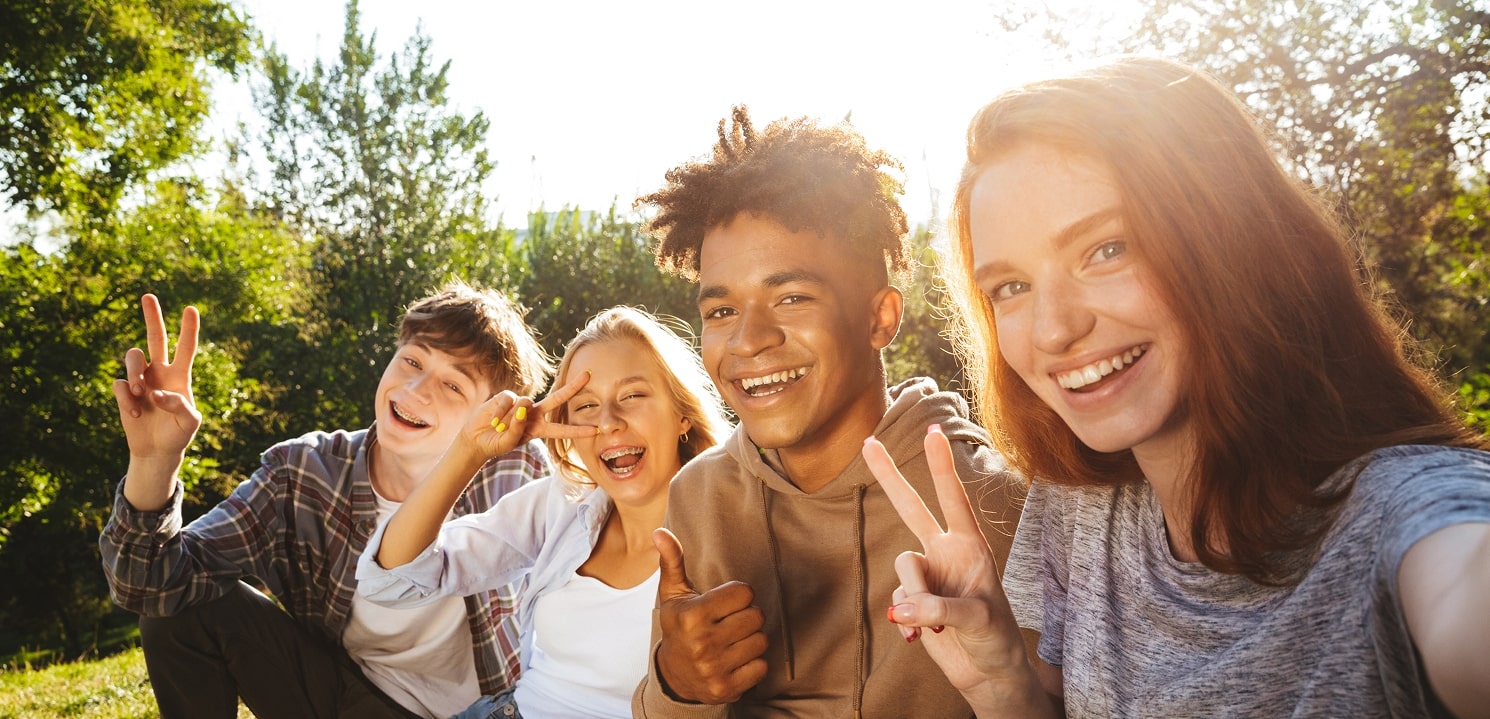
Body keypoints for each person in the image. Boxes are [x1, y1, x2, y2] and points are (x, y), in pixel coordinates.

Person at [862, 56, 1490, 718]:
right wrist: (1000, 684)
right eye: (1011, 287)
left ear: (1231, 238)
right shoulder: (1080, 507)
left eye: (1106, 249)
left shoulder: (1411, 512)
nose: (1054, 329)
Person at [630, 106, 1026, 718]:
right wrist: (676, 684)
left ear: (880, 318)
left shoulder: (991, 501)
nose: (747, 341)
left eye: (791, 297)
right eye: (721, 311)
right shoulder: (699, 495)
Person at [100, 282, 556, 719]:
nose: (416, 391)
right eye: (413, 362)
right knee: (178, 614)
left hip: (490, 712)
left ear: (491, 412)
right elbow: (146, 584)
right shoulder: (303, 472)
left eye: (454, 386)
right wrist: (156, 460)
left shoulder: (516, 470)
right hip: (343, 699)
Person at [357, 306, 729, 719]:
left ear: (682, 414)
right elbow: (391, 581)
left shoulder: (731, 530)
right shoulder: (562, 504)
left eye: (632, 396)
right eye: (586, 406)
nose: (608, 422)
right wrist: (469, 450)